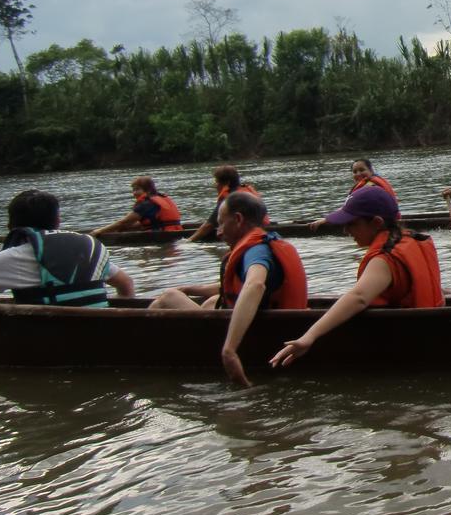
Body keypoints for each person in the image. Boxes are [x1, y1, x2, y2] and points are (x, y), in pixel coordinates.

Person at [271, 187, 444, 369]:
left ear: (377, 222)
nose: (346, 230)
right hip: (430, 335)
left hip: (411, 346)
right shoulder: (411, 240)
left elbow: (359, 297)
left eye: (352, 223)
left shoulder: (384, 258)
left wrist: (309, 336)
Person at [150, 190, 307, 385]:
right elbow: (235, 286)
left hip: (259, 335)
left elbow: (255, 284)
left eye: (221, 223)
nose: (218, 232)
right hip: (280, 326)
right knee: (210, 302)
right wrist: (191, 289)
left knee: (167, 298)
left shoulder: (256, 251)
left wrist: (230, 349)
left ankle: (142, 352)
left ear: (238, 219)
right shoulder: (268, 242)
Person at [0, 189, 135, 305]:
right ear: (57, 222)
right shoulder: (86, 251)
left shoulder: (13, 258)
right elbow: (126, 283)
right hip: (99, 338)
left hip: (44, 346)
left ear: (11, 225)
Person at [308, 158, 399, 229]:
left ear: (371, 171)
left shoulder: (370, 187)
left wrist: (326, 220)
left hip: (385, 224)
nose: (358, 174)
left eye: (362, 170)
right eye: (355, 171)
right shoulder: (373, 182)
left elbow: (350, 209)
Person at [186, 165, 267, 242]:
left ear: (227, 183)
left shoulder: (231, 198)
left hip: (252, 232)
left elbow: (210, 224)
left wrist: (189, 241)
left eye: (217, 182)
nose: (215, 185)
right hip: (262, 227)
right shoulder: (245, 191)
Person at [91, 176, 182, 236]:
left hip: (162, 234)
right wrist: (123, 228)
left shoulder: (146, 204)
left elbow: (123, 222)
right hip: (175, 231)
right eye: (133, 190)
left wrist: (99, 231)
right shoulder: (161, 198)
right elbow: (149, 222)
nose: (134, 193)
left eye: (137, 190)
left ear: (148, 190)